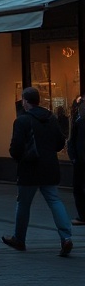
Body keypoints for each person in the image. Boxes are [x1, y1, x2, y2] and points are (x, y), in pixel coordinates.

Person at [2, 86, 74, 256]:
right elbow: (60, 142)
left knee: (23, 203)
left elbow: (16, 147)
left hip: (29, 168)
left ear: (25, 101)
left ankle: (19, 239)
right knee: (54, 200)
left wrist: (19, 157)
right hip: (49, 166)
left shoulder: (22, 121)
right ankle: (66, 237)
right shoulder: (51, 118)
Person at [69, 96, 85, 226]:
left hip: (80, 161)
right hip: (79, 161)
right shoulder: (79, 120)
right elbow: (73, 141)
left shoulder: (80, 121)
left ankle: (83, 216)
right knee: (79, 189)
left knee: (79, 189)